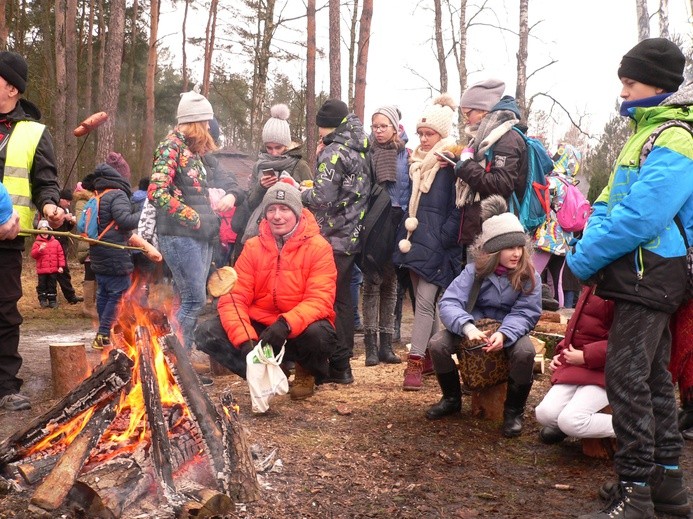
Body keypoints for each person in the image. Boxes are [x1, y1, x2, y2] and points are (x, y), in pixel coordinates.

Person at [567, 38, 691, 518]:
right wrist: (597, 226)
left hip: (651, 272)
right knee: (654, 379)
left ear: (656, 83)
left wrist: (582, 259)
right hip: (641, 272)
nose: (622, 88)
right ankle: (668, 489)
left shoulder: (676, 136)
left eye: (629, 80)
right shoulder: (644, 133)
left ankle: (634, 492)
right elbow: (605, 200)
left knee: (626, 379)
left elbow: (643, 216)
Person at [195, 182, 338, 400]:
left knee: (319, 335)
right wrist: (245, 341)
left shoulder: (319, 247)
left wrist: (286, 323)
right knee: (207, 332)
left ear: (297, 212)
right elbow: (234, 297)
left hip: (295, 328)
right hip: (261, 327)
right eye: (271, 209)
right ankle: (266, 374)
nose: (277, 216)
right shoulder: (253, 247)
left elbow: (320, 299)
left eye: (284, 209)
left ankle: (305, 370)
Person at [424, 195, 541, 437]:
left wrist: (505, 333)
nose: (516, 253)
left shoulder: (530, 275)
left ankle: (513, 412)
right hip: (474, 327)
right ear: (494, 250)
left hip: (509, 331)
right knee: (437, 344)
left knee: (525, 352)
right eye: (509, 247)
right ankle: (452, 399)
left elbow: (527, 311)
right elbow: (449, 302)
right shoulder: (473, 271)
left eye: (519, 246)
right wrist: (467, 328)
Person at [0, 50, 64, 412]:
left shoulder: (35, 132)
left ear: (12, 88)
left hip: (8, 240)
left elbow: (45, 183)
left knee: (5, 311)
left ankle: (5, 385)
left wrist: (51, 206)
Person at [391, 94, 464, 390]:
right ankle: (434, 357)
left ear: (442, 134)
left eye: (429, 133)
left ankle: (415, 363)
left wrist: (445, 238)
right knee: (424, 302)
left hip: (437, 243)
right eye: (420, 133)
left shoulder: (449, 165)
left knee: (423, 303)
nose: (422, 139)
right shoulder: (417, 164)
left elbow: (457, 207)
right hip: (414, 238)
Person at [149, 87, 230, 352]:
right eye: (206, 121)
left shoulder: (193, 152)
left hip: (200, 235)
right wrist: (194, 217)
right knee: (195, 301)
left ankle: (180, 365)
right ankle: (172, 362)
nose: (209, 126)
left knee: (190, 300)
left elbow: (191, 190)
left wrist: (211, 215)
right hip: (181, 236)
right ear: (195, 121)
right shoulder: (171, 146)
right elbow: (156, 192)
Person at [301, 99, 371, 384]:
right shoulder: (360, 148)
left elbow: (321, 198)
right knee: (342, 300)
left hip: (332, 237)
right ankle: (342, 366)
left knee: (324, 299)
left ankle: (328, 365)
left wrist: (297, 191)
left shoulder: (333, 151)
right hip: (353, 235)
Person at [445, 80, 528, 258]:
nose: (466, 118)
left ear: (483, 110)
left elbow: (501, 184)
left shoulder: (507, 139)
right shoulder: (484, 138)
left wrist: (465, 167)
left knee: (488, 285)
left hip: (497, 235)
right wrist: (457, 161)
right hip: (482, 229)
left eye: (468, 113)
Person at [361, 105, 410, 366]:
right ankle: (369, 346)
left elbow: (409, 189)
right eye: (375, 126)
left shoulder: (405, 155)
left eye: (383, 126)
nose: (378, 131)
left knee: (391, 284)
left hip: (398, 221)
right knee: (372, 282)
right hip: (374, 222)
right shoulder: (366, 153)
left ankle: (386, 345)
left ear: (394, 127)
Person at [535, 286, 615, 444]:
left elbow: (629, 342)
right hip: (579, 365)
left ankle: (640, 428)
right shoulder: (591, 284)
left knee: (571, 421)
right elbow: (580, 329)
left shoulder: (625, 289)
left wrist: (587, 356)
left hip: (610, 369)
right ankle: (569, 427)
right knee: (544, 413)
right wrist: (562, 352)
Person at [235, 103, 312, 249]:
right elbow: (250, 203)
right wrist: (261, 187)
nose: (273, 153)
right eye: (269, 148)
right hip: (259, 232)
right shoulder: (259, 165)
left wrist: (291, 189)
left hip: (291, 236)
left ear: (287, 145)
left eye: (278, 147)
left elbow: (311, 201)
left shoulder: (300, 166)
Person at [87, 163, 142, 350]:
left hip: (98, 250)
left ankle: (102, 334)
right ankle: (103, 334)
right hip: (114, 252)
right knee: (117, 293)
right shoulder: (117, 195)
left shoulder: (98, 195)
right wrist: (144, 214)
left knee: (103, 293)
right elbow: (124, 221)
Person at [52, 188, 82, 305]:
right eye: (67, 201)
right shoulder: (53, 209)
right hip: (54, 244)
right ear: (61, 199)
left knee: (63, 270)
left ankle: (70, 296)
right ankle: (52, 296)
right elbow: (52, 226)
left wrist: (70, 223)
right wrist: (64, 218)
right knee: (56, 271)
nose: (69, 203)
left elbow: (65, 229)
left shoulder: (65, 209)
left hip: (63, 243)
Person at [73, 181, 97, 320]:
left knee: (95, 274)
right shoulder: (82, 203)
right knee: (90, 274)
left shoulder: (90, 201)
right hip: (87, 243)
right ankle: (88, 306)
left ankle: (93, 305)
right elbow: (82, 221)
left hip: (92, 242)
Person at [30, 219, 65, 309]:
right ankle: (43, 300)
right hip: (42, 270)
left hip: (53, 270)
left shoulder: (56, 242)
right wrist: (39, 250)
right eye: (42, 230)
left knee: (52, 285)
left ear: (49, 230)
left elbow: (60, 254)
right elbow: (33, 255)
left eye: (46, 230)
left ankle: (52, 300)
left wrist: (61, 266)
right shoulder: (37, 243)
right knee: (42, 285)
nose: (44, 232)